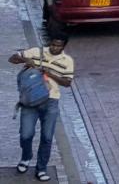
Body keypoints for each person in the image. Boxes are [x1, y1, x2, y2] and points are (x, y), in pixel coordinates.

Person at [9, 33, 74, 182]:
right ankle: (26, 157)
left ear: (63, 46)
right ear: (49, 43)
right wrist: (26, 59)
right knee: (26, 134)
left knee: (47, 137)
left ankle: (41, 168)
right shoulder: (36, 52)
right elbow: (12, 58)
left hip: (51, 101)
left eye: (58, 46)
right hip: (30, 101)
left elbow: (67, 83)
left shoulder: (67, 61)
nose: (55, 47)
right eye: (53, 44)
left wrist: (49, 73)